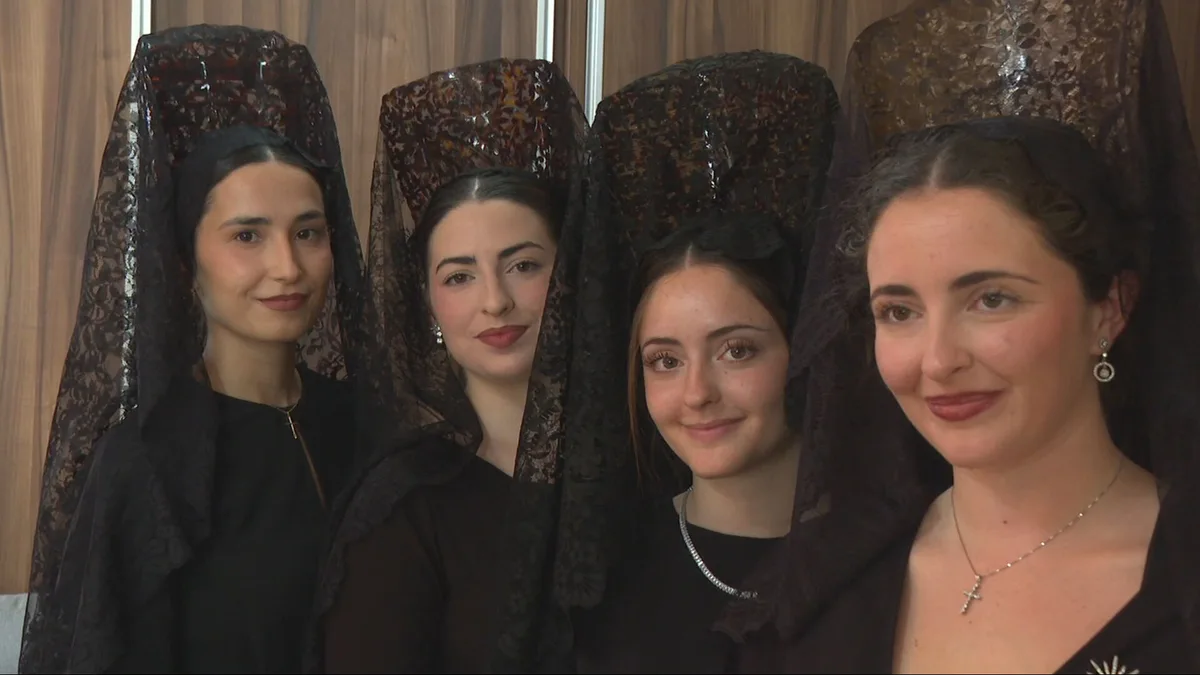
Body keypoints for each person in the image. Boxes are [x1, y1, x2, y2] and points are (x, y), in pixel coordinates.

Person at [733, 116, 1200, 673]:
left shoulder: (1182, 580)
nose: (937, 360)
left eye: (992, 299)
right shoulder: (822, 589)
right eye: (899, 312)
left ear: (1110, 308)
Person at [19, 25, 363, 675]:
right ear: (185, 265)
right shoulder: (145, 460)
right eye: (247, 236)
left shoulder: (363, 424)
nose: (287, 266)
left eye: (308, 231)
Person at [313, 58, 588, 673]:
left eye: (523, 265)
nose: (495, 300)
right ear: (429, 303)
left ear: (571, 273)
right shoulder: (405, 506)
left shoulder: (651, 463)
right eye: (459, 275)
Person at [567, 52, 838, 673]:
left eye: (736, 350)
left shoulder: (891, 559)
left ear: (805, 348)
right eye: (664, 360)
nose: (696, 393)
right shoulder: (606, 569)